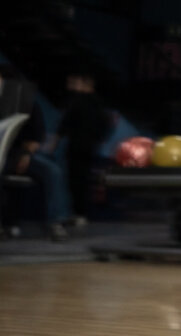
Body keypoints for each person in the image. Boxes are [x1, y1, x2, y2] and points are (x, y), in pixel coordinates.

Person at [0, 66, 73, 241]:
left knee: (53, 171)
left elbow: (35, 137)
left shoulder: (27, 104)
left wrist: (25, 154)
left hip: (18, 154)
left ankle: (56, 222)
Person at [56, 72, 114, 223]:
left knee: (75, 180)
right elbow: (107, 124)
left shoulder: (76, 101)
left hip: (77, 146)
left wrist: (56, 139)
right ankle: (81, 213)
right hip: (90, 147)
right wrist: (99, 140)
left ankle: (76, 212)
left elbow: (65, 123)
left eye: (76, 83)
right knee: (84, 179)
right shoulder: (99, 103)